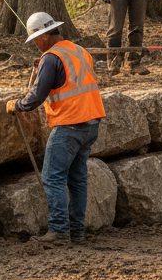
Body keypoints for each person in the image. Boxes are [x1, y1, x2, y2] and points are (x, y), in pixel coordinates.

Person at [6, 12, 106, 245]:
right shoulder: (79, 50)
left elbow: (36, 96)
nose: (37, 47)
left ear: (41, 37)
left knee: (52, 177)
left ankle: (60, 231)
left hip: (70, 123)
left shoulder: (50, 58)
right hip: (92, 121)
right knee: (77, 177)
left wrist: (17, 104)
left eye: (36, 41)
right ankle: (77, 231)